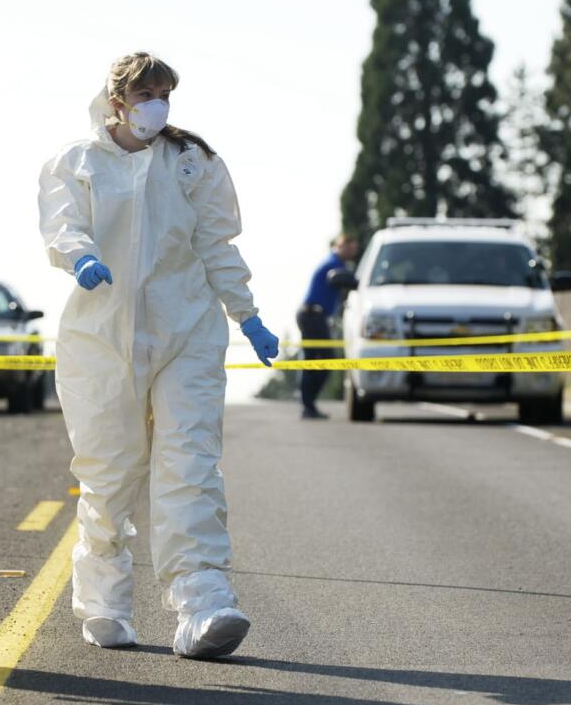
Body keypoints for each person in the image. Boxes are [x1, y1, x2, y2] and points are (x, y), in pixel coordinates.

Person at [39, 52, 279, 659]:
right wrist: (79, 255)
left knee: (189, 462)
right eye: (146, 92)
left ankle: (203, 603)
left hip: (186, 331)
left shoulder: (191, 162)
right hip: (101, 339)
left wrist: (246, 314)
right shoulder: (77, 163)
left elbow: (216, 243)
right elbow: (61, 225)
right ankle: (103, 601)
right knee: (110, 473)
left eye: (165, 92)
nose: (158, 104)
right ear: (116, 98)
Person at [297, 233, 358, 419]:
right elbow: (348, 281)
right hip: (312, 315)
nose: (353, 252)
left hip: (313, 315)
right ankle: (308, 404)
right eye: (351, 248)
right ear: (342, 246)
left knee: (313, 361)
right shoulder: (334, 264)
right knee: (325, 359)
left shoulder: (336, 263)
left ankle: (308, 405)